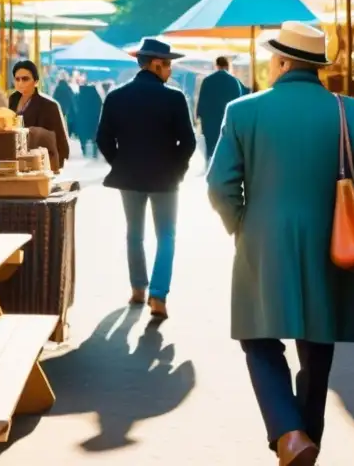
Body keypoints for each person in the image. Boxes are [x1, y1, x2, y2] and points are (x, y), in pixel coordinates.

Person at [206, 22, 354, 465]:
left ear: (282, 61)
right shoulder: (349, 111)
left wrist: (241, 225)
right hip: (333, 241)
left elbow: (219, 185)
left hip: (261, 240)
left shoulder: (242, 110)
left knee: (258, 337)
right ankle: (305, 438)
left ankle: (290, 436)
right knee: (317, 342)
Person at [96, 38, 196, 321]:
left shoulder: (115, 96)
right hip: (165, 178)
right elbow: (187, 142)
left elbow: (103, 137)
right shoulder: (175, 98)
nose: (170, 71)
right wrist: (176, 169)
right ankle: (158, 296)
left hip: (128, 176)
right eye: (168, 65)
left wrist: (119, 162)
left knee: (134, 233)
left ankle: (138, 288)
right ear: (156, 64)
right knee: (166, 236)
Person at [8, 60, 70, 169]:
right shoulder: (11, 100)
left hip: (40, 161)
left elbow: (60, 139)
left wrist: (57, 161)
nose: (20, 83)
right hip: (14, 158)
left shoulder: (49, 105)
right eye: (17, 79)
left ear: (35, 81)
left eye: (25, 79)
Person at [196, 56, 245, 163]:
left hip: (210, 124)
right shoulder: (234, 82)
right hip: (227, 123)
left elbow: (201, 105)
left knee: (211, 152)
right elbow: (239, 104)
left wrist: (199, 117)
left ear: (216, 66)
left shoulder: (207, 81)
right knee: (227, 152)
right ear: (228, 66)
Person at [76, 80, 103, 157]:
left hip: (83, 121)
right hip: (93, 121)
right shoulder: (95, 95)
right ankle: (94, 152)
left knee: (84, 137)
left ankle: (84, 150)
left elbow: (77, 109)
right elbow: (99, 106)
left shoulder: (80, 96)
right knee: (94, 136)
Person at [52, 71, 77, 135]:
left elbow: (54, 99)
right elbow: (72, 99)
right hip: (67, 110)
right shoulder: (68, 88)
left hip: (59, 109)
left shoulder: (57, 89)